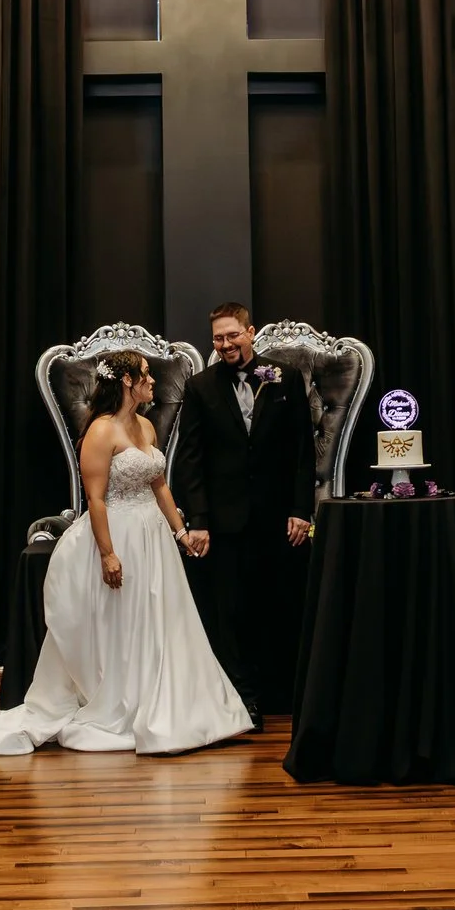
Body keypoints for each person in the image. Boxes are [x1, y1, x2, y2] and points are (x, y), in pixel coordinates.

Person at [0, 350, 252, 756]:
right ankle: (122, 702)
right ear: (127, 381)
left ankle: (171, 702)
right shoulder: (100, 431)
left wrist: (180, 532)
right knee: (124, 622)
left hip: (153, 536)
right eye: (146, 375)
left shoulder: (146, 425)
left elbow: (159, 484)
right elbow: (95, 499)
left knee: (160, 619)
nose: (153, 382)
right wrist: (108, 553)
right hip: (119, 532)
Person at [168, 302, 315, 726]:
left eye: (233, 335)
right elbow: (190, 460)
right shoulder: (199, 388)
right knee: (230, 613)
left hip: (278, 519)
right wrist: (199, 520)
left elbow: (304, 452)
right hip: (225, 521)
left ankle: (282, 695)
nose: (226, 344)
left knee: (277, 604)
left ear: (251, 332)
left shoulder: (285, 378)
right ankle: (242, 697)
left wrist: (300, 510)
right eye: (218, 337)